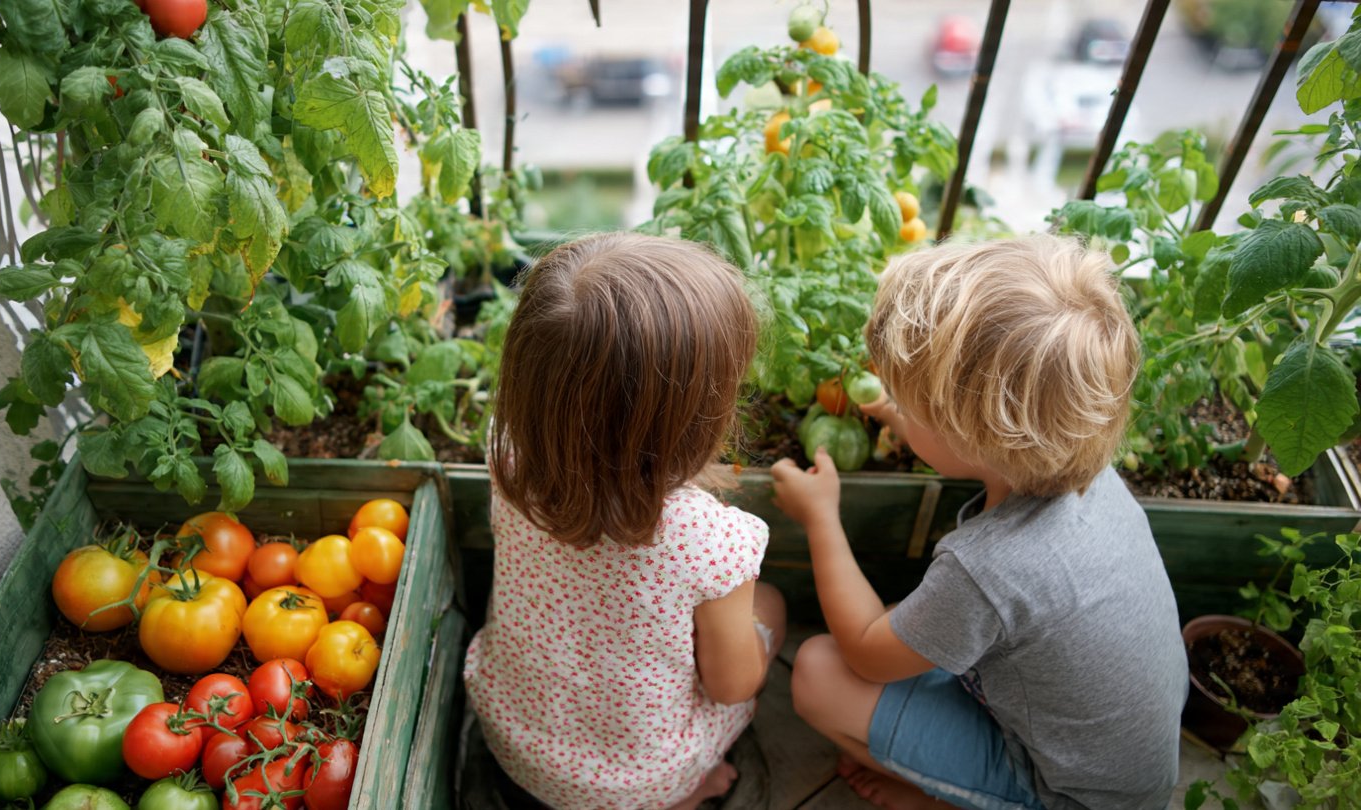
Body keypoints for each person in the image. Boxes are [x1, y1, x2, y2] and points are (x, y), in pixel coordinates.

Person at [771, 235, 1188, 810]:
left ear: (968, 437)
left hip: (1065, 795)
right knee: (909, 622)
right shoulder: (1080, 467)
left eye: (908, 404)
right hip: (1114, 761)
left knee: (818, 672)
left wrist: (820, 517)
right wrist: (907, 414)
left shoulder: (989, 567)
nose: (895, 405)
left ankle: (949, 800)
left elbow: (867, 653)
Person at [464, 232, 786, 810]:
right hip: (634, 782)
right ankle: (684, 794)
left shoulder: (507, 455)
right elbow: (732, 686)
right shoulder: (710, 542)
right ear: (693, 418)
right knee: (772, 612)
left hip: (513, 740)